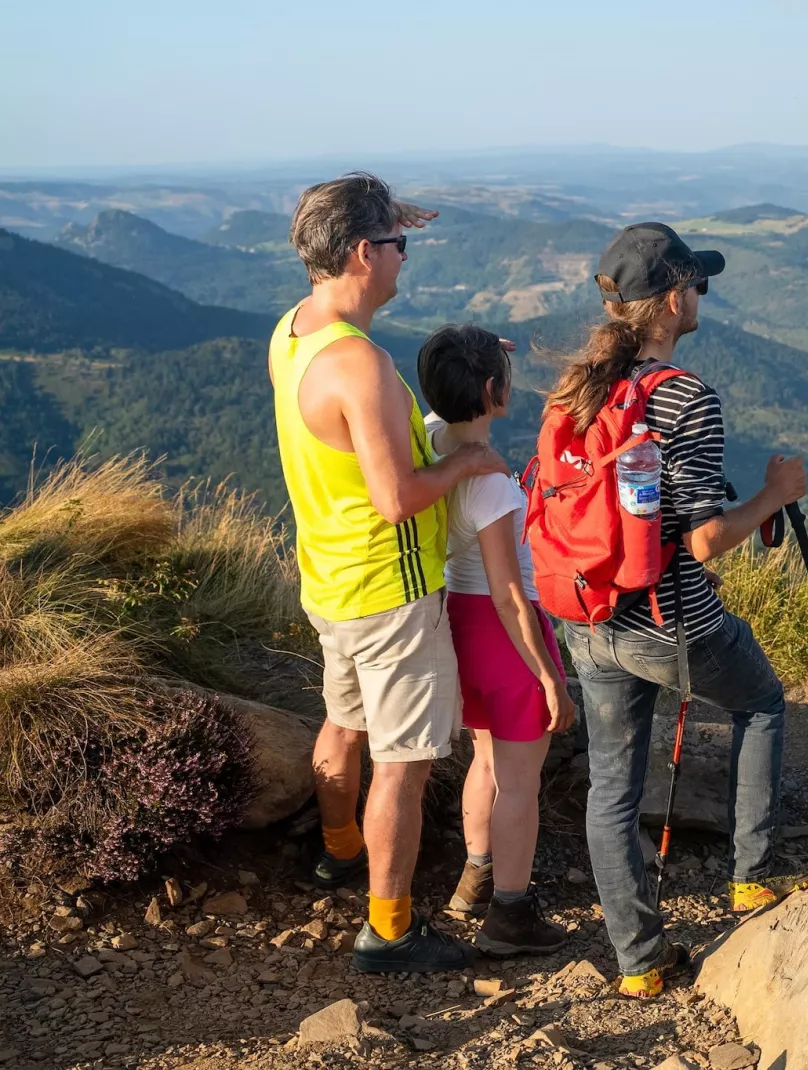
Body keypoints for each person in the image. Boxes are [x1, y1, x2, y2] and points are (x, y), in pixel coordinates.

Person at [547, 222, 808, 998]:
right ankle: (753, 877)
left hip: (588, 616)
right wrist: (775, 495)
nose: (700, 297)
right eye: (695, 285)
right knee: (761, 701)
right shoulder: (685, 397)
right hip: (670, 621)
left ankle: (640, 963)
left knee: (612, 785)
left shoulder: (578, 388)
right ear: (669, 300)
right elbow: (701, 541)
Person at [271, 172, 507, 973]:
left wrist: (374, 215)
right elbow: (400, 498)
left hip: (329, 583)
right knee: (401, 767)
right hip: (393, 596)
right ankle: (391, 927)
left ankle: (338, 851)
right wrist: (468, 460)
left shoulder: (292, 332)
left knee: (343, 724)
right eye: (399, 245)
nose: (407, 259)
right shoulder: (362, 367)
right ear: (364, 253)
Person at [414, 324, 578, 956]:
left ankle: (473, 881)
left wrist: (473, 358)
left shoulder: (430, 440)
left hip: (455, 620)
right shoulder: (493, 486)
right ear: (492, 389)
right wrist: (547, 677)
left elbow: (446, 389)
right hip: (504, 634)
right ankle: (510, 915)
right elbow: (513, 597)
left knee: (485, 759)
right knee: (519, 781)